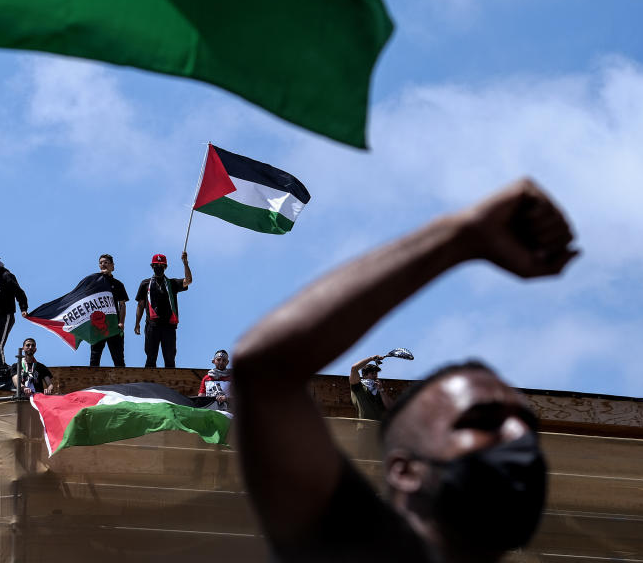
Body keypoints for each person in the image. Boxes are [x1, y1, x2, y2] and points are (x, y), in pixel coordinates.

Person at [231, 179, 577, 562]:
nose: (519, 435)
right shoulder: (358, 549)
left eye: (527, 425)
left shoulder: (384, 399)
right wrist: (461, 235)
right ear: (404, 471)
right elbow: (267, 370)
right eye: (482, 421)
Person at [134, 251, 192, 368]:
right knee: (151, 357)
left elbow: (188, 280)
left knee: (169, 357)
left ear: (165, 267)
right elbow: (140, 305)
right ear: (152, 266)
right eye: (156, 265)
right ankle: (149, 385)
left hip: (168, 327)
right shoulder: (145, 284)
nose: (158, 268)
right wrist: (137, 323)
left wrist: (185, 263)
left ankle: (170, 384)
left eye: (161, 266)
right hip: (152, 325)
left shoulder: (172, 283)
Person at [89, 254, 129, 367]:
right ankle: (93, 383)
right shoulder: (93, 283)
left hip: (114, 326)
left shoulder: (118, 284)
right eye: (101, 263)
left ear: (112, 266)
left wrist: (121, 322)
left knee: (119, 359)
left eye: (106, 262)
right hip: (97, 326)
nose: (103, 264)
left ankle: (122, 384)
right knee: (94, 358)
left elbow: (122, 305)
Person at [350, 355, 394, 421]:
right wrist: (371, 358)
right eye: (372, 373)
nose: (375, 376)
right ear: (364, 375)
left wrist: (381, 390)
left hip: (379, 428)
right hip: (364, 427)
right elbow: (354, 368)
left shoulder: (379, 389)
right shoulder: (358, 386)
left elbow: (392, 407)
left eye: (376, 373)